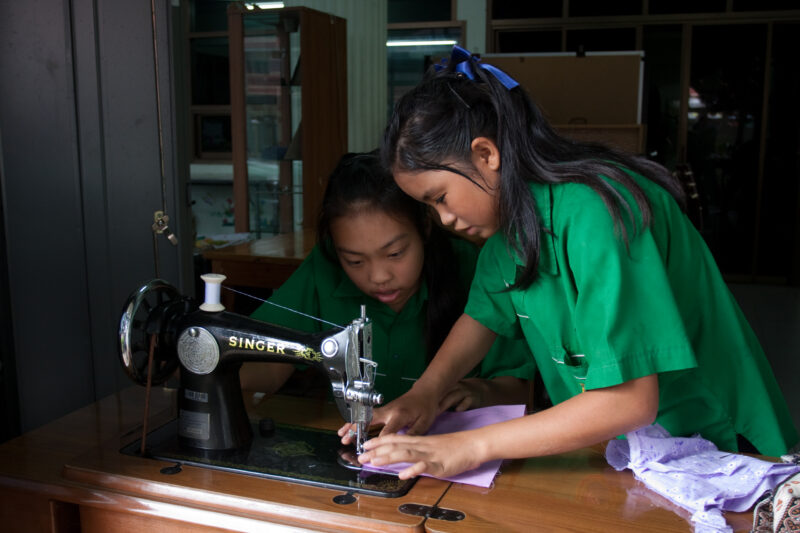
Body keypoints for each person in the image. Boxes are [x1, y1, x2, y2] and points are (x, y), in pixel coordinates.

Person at [345, 46, 798, 480]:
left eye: (440, 198)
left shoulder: (597, 210)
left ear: (486, 155)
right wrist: (423, 394)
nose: (443, 219)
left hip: (716, 443)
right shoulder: (510, 230)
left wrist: (469, 446)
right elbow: (482, 317)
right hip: (634, 451)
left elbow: (628, 402)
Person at [239, 151, 534, 409]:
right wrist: (218, 373)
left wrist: (481, 392)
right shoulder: (324, 269)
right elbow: (270, 362)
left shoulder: (477, 269)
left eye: (395, 253)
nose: (378, 277)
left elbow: (522, 388)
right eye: (354, 261)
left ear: (425, 228)